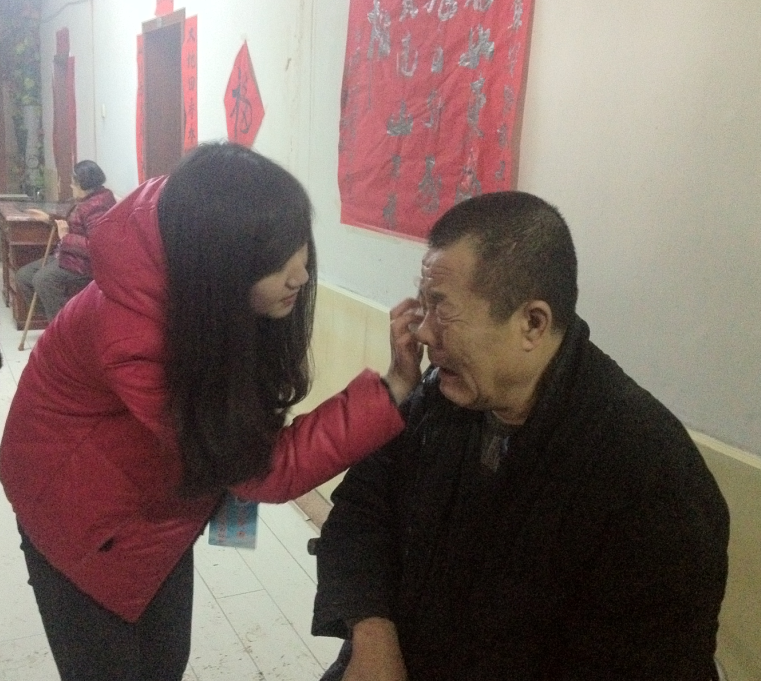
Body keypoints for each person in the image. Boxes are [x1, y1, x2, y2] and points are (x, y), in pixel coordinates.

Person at [0, 142, 422, 681]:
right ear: (219, 265)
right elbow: (260, 468)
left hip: (156, 499)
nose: (300, 274)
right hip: (76, 511)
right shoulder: (134, 336)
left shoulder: (195, 253)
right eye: (276, 261)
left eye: (299, 247)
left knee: (162, 660)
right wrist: (393, 388)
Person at [312, 191, 730, 681]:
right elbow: (362, 509)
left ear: (532, 323)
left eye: (442, 309)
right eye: (423, 305)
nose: (421, 333)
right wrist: (372, 634)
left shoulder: (649, 476)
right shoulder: (440, 396)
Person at [17, 159, 116, 320]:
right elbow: (73, 224)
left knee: (43, 279)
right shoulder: (89, 198)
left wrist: (66, 237)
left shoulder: (98, 206)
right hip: (69, 256)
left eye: (73, 183)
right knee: (24, 275)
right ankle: (55, 319)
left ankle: (62, 325)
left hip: (86, 264)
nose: (71, 186)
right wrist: (49, 219)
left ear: (82, 184)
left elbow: (97, 247)